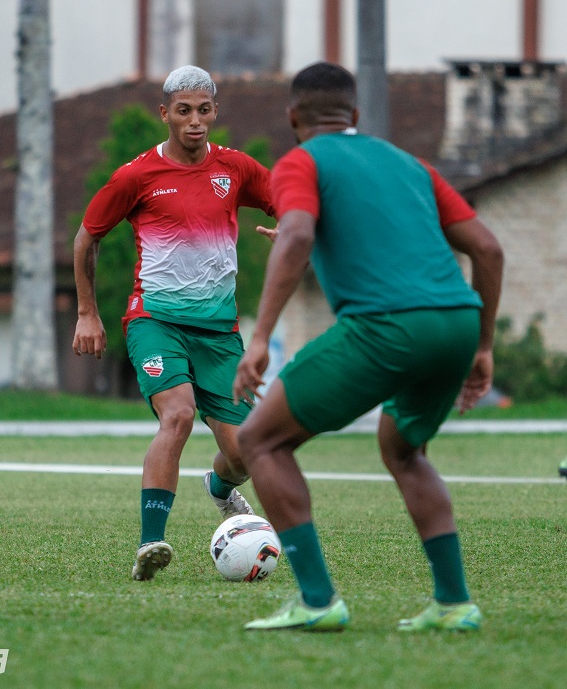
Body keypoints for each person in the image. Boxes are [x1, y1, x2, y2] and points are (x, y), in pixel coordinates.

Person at [233, 62, 504, 632]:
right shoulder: (410, 164)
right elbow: (488, 249)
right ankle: (454, 604)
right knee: (403, 449)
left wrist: (259, 337)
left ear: (292, 118)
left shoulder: (301, 161)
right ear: (354, 115)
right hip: (457, 322)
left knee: (260, 440)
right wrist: (482, 346)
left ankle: (316, 602)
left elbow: (298, 234)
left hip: (387, 327)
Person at [73, 65, 276, 582]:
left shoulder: (236, 168)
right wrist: (87, 312)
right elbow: (87, 237)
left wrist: (295, 228)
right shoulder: (137, 175)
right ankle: (151, 543)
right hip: (155, 321)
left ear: (215, 112)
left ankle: (219, 486)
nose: (195, 121)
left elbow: (290, 202)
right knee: (178, 416)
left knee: (244, 454)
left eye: (203, 110)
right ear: (165, 114)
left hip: (219, 333)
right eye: (183, 111)